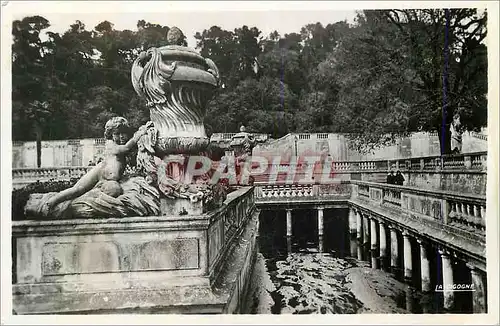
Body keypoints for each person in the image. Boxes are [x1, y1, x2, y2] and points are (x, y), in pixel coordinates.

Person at [41, 117, 148, 215]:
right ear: (110, 135)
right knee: (77, 189)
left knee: (111, 190)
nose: (121, 136)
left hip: (107, 180)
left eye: (124, 133)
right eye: (117, 133)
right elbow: (125, 148)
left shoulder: (120, 145)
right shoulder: (110, 144)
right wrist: (138, 135)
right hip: (100, 171)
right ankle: (51, 202)